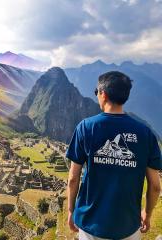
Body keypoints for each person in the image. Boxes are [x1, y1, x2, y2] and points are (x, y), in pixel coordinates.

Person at [66, 71, 162, 240]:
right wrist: (147, 213)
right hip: (128, 226)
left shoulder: (86, 128)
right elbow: (155, 186)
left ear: (103, 94)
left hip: (91, 225)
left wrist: (70, 211)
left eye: (96, 92)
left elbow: (73, 178)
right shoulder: (145, 134)